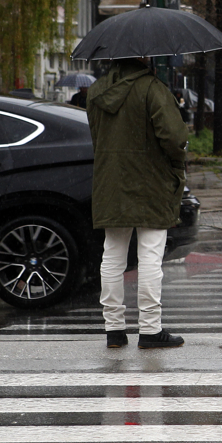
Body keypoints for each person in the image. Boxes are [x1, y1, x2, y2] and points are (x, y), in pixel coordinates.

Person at [86, 57, 187, 349]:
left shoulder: (96, 92)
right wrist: (179, 157)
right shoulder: (152, 88)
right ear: (144, 57)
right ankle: (151, 330)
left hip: (110, 181)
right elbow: (173, 137)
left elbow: (97, 136)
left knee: (112, 256)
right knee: (150, 257)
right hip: (151, 183)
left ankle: (114, 330)